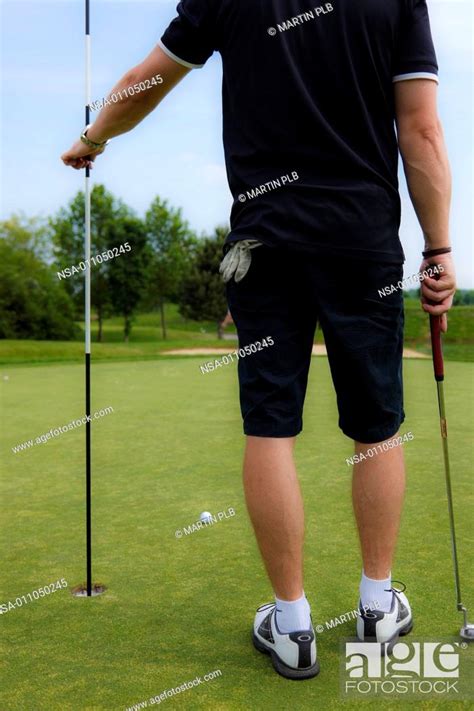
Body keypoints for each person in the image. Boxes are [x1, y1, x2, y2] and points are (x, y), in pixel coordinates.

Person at [62, 0, 456, 680]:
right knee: (377, 428)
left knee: (270, 426)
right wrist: (440, 246)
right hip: (361, 241)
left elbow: (149, 77)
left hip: (260, 242)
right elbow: (420, 129)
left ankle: (293, 624)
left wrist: (95, 136)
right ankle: (375, 608)